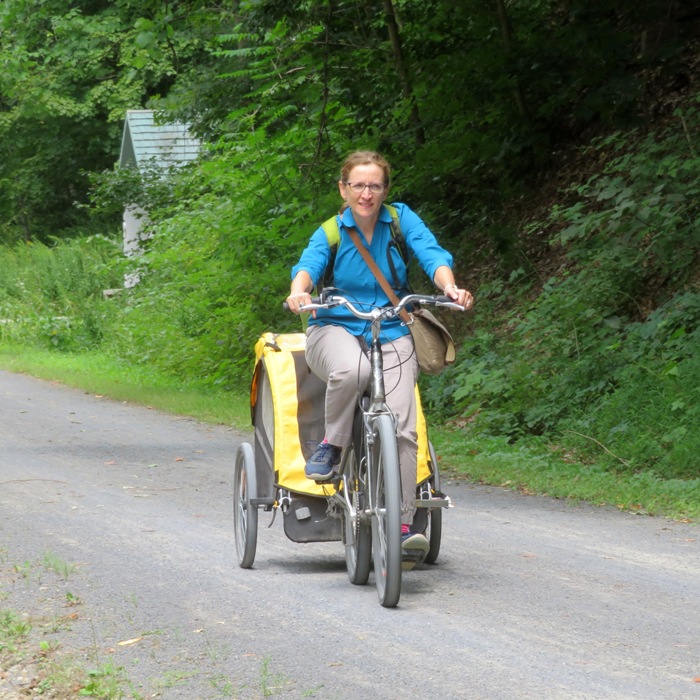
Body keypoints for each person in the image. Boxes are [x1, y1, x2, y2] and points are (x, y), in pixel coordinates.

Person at [286, 150, 473, 559]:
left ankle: (403, 524)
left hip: (390, 325)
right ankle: (332, 446)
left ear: (385, 189)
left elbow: (432, 253)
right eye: (358, 185)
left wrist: (449, 287)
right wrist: (300, 292)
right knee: (353, 371)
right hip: (334, 325)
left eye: (374, 185)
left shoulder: (401, 220)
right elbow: (309, 264)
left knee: (405, 426)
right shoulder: (333, 231)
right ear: (344, 188)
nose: (366, 193)